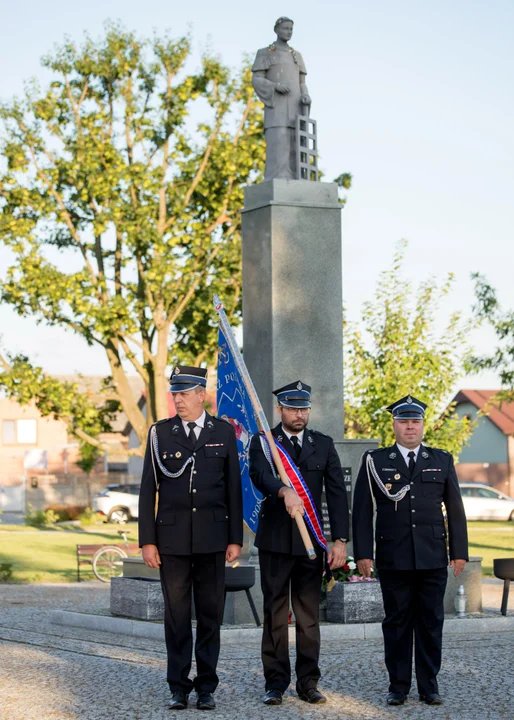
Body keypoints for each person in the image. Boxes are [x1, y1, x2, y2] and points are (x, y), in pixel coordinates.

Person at [352, 395, 468, 707]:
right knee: (397, 623)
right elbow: (362, 511)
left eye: (415, 421)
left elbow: (455, 509)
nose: (410, 427)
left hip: (431, 556)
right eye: (404, 421)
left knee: (431, 623)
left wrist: (459, 552)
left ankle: (429, 686)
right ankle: (398, 686)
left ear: (423, 425)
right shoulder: (376, 461)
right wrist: (364, 553)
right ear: (394, 425)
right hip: (394, 557)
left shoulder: (441, 460)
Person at [138, 365, 243, 711]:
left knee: (211, 615)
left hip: (213, 539)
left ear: (202, 394)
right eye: (175, 394)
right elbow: (147, 490)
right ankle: (178, 687)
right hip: (172, 540)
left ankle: (206, 687)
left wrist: (235, 538)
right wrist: (147, 540)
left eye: (184, 394)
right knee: (177, 616)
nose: (178, 400)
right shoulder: (160, 434)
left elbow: (233, 489)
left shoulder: (224, 432)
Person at [249, 381, 349, 706]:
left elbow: (336, 493)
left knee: (308, 617)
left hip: (312, 543)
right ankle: (275, 683)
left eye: (303, 408)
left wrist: (340, 541)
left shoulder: (323, 444)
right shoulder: (264, 442)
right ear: (280, 410)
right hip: (276, 542)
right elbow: (260, 475)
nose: (299, 414)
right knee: (276, 614)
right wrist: (283, 490)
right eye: (292, 408)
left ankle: (308, 682)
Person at [252, 17, 311, 180]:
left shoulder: (296, 56)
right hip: (276, 107)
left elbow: (302, 82)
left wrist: (305, 95)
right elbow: (256, 79)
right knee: (278, 141)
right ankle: (276, 178)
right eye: (285, 28)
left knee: (295, 143)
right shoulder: (265, 53)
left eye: (291, 29)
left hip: (295, 107)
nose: (288, 32)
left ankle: (295, 178)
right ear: (276, 30)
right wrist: (274, 86)